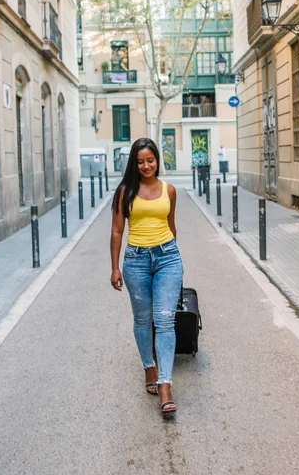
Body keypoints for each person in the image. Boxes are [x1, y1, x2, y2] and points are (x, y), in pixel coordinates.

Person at [110, 138, 183, 417]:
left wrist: (175, 262)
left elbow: (171, 224)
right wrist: (115, 267)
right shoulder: (125, 192)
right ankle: (148, 367)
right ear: (134, 162)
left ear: (157, 160)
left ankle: (165, 385)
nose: (146, 166)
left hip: (167, 257)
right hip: (136, 261)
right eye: (140, 161)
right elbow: (117, 231)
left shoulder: (169, 190)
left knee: (164, 319)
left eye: (150, 160)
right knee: (142, 319)